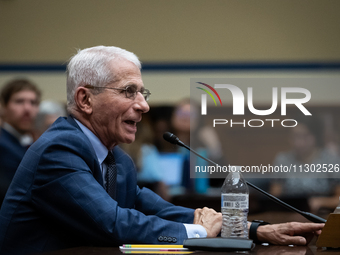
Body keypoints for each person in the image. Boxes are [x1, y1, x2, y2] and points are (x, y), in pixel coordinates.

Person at [0, 46, 323, 254]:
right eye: (129, 92)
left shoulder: (116, 159)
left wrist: (256, 229)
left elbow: (159, 210)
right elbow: (113, 223)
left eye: (143, 92)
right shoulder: (60, 149)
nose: (143, 105)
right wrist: (200, 231)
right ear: (85, 100)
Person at [270, 116, 340, 214]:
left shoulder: (330, 160)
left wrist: (321, 202)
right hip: (289, 215)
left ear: (316, 136)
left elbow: (338, 198)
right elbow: (275, 197)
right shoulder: (283, 159)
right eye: (295, 136)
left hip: (322, 215)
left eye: (305, 136)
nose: (299, 142)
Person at [0, 79, 41, 205]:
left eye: (33, 103)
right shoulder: (2, 146)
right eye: (19, 101)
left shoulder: (31, 143)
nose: (27, 109)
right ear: (3, 107)